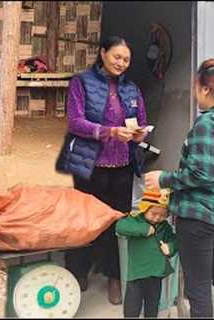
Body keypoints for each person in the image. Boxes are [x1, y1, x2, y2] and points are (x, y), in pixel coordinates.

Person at [57, 36, 149, 305]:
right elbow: (75, 122)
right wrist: (108, 132)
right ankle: (78, 270)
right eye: (117, 57)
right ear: (103, 53)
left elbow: (141, 121)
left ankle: (113, 277)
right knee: (85, 221)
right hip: (89, 166)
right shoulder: (81, 82)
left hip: (122, 166)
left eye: (126, 60)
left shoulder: (132, 89)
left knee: (116, 222)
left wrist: (139, 134)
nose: (121, 63)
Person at [145, 58, 214, 318]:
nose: (195, 95)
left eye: (196, 88)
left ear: (205, 89)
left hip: (199, 218)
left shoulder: (207, 123)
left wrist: (162, 178)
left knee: (198, 291)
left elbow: (202, 174)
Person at [115, 189, 177, 318]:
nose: (157, 218)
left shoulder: (164, 226)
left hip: (156, 274)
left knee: (152, 308)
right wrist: (144, 229)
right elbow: (120, 227)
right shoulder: (135, 220)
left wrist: (170, 247)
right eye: (153, 213)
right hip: (136, 274)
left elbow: (175, 240)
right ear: (144, 208)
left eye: (162, 215)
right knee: (131, 310)